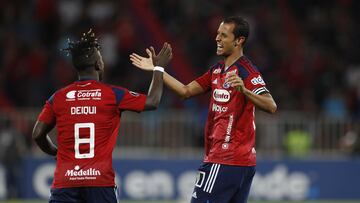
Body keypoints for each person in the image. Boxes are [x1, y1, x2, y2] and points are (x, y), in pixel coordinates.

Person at [130, 16, 277, 203]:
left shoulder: (247, 71)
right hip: (239, 162)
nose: (217, 38)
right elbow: (185, 91)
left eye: (223, 35)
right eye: (217, 34)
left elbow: (271, 105)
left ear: (239, 41)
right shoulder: (216, 70)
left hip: (225, 159)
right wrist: (157, 70)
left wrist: (244, 90)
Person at [32, 29, 172, 203]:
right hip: (100, 183)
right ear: (98, 64)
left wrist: (55, 151)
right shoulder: (112, 94)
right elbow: (153, 101)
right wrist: (158, 68)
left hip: (65, 182)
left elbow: (37, 134)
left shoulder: (58, 97)